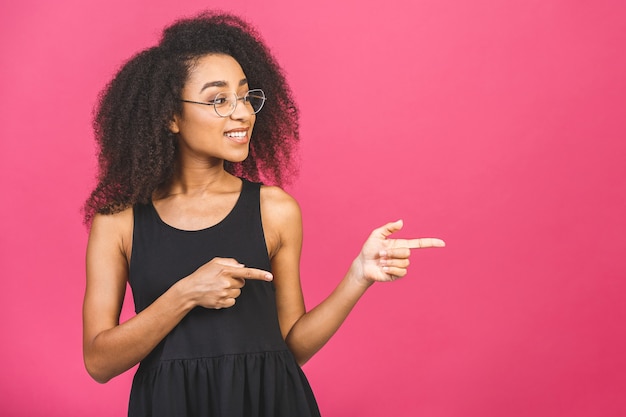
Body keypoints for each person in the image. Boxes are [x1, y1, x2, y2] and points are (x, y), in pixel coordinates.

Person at [82, 11, 445, 417]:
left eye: (244, 95)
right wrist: (186, 294)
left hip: (271, 402)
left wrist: (357, 277)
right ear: (170, 116)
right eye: (219, 99)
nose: (242, 113)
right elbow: (99, 362)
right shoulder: (119, 222)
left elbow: (291, 344)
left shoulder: (274, 209)